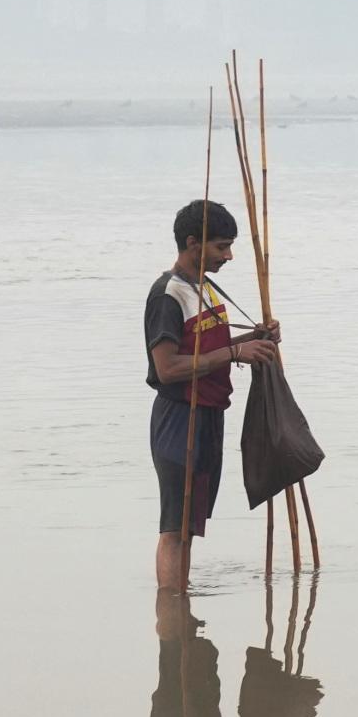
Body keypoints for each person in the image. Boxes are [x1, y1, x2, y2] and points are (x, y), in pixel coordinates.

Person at [145, 199, 279, 591]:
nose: (229, 255)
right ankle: (171, 607)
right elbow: (168, 367)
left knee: (191, 526)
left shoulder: (205, 288)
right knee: (175, 528)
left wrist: (253, 341)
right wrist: (236, 352)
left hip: (209, 415)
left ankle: (180, 623)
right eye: (221, 246)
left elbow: (208, 350)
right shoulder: (168, 295)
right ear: (192, 243)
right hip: (178, 420)